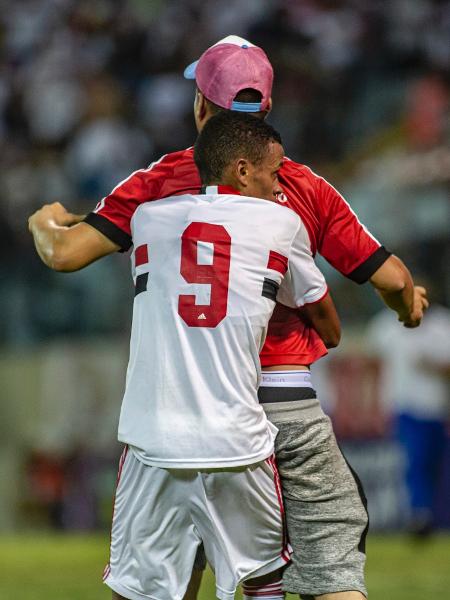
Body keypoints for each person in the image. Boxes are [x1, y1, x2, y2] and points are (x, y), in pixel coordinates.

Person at [28, 35, 428, 600]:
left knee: (167, 579)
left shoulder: (156, 186)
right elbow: (390, 279)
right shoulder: (303, 188)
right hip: (284, 403)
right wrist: (409, 308)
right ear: (265, 110)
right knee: (326, 563)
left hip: (189, 404)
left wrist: (45, 222)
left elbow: (65, 254)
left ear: (200, 107)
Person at [29, 111, 341, 600]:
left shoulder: (147, 216)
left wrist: (43, 218)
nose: (281, 185)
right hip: (239, 441)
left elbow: (63, 253)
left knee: (142, 592)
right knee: (264, 584)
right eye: (274, 173)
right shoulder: (282, 222)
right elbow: (329, 325)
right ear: (242, 169)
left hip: (154, 444)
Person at [367, 295, 450, 538]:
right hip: (403, 406)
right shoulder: (386, 325)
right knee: (415, 462)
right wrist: (374, 405)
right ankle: (420, 515)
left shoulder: (442, 324)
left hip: (437, 407)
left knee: (434, 463)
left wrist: (432, 366)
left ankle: (436, 518)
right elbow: (375, 367)